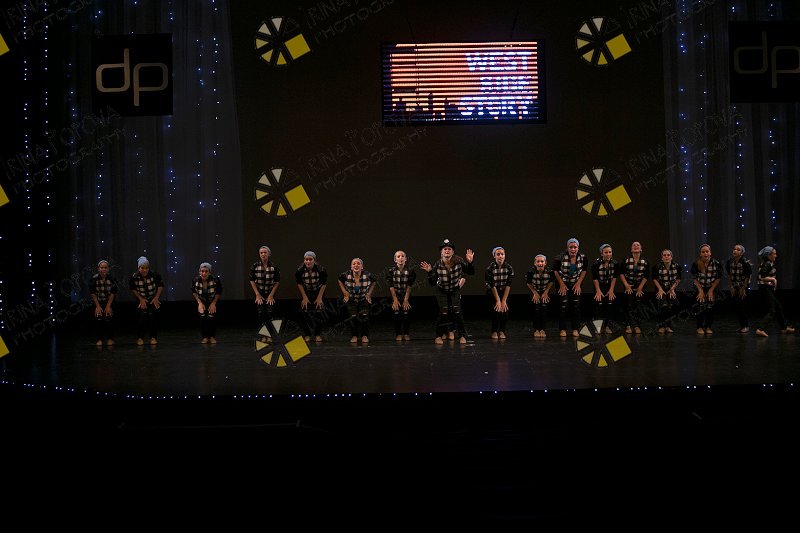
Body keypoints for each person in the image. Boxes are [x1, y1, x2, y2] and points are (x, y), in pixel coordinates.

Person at [420, 238, 474, 344]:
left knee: (457, 311)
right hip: (442, 290)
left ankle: (462, 335)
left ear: (453, 251)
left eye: (449, 249)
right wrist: (430, 272)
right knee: (443, 312)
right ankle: (439, 336)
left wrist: (470, 262)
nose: (447, 251)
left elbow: (470, 272)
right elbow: (432, 283)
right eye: (445, 249)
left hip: (454, 289)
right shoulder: (438, 264)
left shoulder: (459, 261)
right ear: (441, 252)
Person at [754, 246, 794, 337]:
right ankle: (760, 329)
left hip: (767, 289)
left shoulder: (768, 263)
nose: (776, 256)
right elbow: (761, 277)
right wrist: (773, 279)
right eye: (774, 254)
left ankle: (784, 327)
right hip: (765, 289)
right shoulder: (768, 264)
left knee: (778, 308)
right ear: (768, 255)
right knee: (772, 311)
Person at [552, 238, 587, 338]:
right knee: (564, 305)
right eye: (571, 247)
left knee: (576, 305)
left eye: (575, 247)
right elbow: (555, 271)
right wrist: (561, 284)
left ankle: (575, 328)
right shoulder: (560, 257)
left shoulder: (583, 257)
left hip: (575, 283)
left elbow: (584, 270)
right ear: (567, 248)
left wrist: (578, 283)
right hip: (562, 282)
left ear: (578, 248)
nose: (573, 249)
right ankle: (562, 329)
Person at [338, 258, 377, 344]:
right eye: (354, 264)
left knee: (364, 316)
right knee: (353, 316)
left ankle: (364, 335)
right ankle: (354, 335)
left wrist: (369, 294)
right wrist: (345, 293)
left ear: (362, 267)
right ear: (351, 267)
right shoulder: (345, 275)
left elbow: (374, 281)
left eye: (358, 264)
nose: (356, 265)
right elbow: (339, 280)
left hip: (363, 298)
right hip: (352, 298)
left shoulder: (368, 275)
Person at [129, 256, 164, 345]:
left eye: (146, 268)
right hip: (141, 299)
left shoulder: (154, 275)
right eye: (142, 268)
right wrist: (140, 299)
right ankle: (140, 337)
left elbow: (160, 285)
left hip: (152, 298)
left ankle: (153, 337)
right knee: (142, 317)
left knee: (153, 317)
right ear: (139, 268)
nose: (144, 270)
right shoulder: (134, 277)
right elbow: (133, 288)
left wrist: (156, 298)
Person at [249, 246, 280, 341]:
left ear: (269, 254)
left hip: (270, 292)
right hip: (260, 292)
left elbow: (277, 282)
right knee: (261, 313)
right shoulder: (255, 266)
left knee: (270, 313)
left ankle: (269, 335)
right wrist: (257, 294)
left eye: (265, 252)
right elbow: (252, 280)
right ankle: (263, 335)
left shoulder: (273, 266)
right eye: (261, 253)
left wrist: (271, 295)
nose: (263, 254)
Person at [295, 251, 328, 342]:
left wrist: (319, 298)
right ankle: (307, 334)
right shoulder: (299, 270)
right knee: (304, 312)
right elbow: (299, 284)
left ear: (314, 260)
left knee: (319, 311)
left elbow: (324, 284)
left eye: (310, 259)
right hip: (306, 291)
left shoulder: (321, 270)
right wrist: (304, 297)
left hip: (318, 291)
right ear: (304, 260)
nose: (308, 261)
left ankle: (318, 334)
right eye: (306, 259)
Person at [690, 244, 722, 334]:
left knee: (709, 308)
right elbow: (694, 278)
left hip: (710, 288)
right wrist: (700, 291)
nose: (705, 253)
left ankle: (708, 326)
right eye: (703, 252)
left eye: (707, 251)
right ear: (700, 254)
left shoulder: (716, 263)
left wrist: (711, 290)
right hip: (699, 287)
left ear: (710, 253)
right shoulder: (696, 263)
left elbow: (718, 278)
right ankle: (699, 327)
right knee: (700, 307)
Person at [485, 246, 514, 339]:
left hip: (503, 291)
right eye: (498, 254)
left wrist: (503, 300)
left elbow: (508, 285)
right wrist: (498, 300)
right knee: (496, 311)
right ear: (494, 256)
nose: (500, 256)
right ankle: (494, 331)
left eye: (502, 254)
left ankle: (502, 331)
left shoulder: (509, 268)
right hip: (493, 292)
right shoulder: (490, 269)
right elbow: (492, 285)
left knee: (504, 310)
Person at [386, 250, 417, 341]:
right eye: (398, 256)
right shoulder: (391, 270)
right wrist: (395, 300)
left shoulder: (410, 270)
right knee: (396, 315)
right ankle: (398, 333)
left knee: (406, 314)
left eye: (402, 256)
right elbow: (391, 286)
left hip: (407, 296)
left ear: (405, 259)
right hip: (395, 296)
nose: (401, 258)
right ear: (395, 260)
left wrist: (406, 299)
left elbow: (409, 286)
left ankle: (406, 333)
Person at [620, 241, 649, 334]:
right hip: (628, 285)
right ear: (631, 249)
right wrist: (626, 285)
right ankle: (628, 325)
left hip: (640, 286)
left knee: (638, 306)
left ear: (641, 249)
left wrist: (640, 287)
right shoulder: (626, 260)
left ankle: (637, 326)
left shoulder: (645, 261)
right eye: (634, 245)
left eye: (638, 245)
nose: (636, 246)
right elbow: (621, 273)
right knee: (628, 305)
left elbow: (646, 275)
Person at [651, 249, 682, 334]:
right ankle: (661, 326)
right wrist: (660, 289)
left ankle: (668, 326)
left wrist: (672, 288)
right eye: (664, 255)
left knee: (670, 307)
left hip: (671, 288)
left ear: (671, 257)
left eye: (668, 255)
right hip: (660, 288)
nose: (666, 257)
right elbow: (654, 279)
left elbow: (678, 278)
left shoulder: (677, 266)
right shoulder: (657, 266)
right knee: (662, 307)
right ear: (662, 258)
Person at [89, 259, 118, 346]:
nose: (104, 269)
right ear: (98, 269)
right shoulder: (94, 279)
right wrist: (98, 306)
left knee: (108, 317)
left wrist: (108, 306)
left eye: (105, 267)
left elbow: (113, 293)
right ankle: (99, 338)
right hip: (98, 301)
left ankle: (110, 338)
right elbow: (93, 293)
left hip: (109, 301)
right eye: (102, 268)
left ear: (108, 269)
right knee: (99, 318)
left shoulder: (112, 279)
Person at [192, 262, 222, 344]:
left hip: (212, 300)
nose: (204, 273)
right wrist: (199, 303)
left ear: (209, 272)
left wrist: (213, 303)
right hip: (201, 300)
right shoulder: (196, 280)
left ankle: (212, 337)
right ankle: (205, 337)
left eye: (206, 271)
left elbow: (218, 292)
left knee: (211, 318)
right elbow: (194, 292)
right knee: (202, 318)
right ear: (199, 271)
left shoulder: (215, 279)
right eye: (202, 271)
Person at [725, 244, 752, 333]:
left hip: (743, 286)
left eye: (738, 250)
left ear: (742, 253)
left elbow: (747, 276)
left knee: (741, 306)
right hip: (734, 286)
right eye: (734, 249)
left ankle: (746, 325)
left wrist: (743, 288)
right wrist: (731, 286)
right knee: (735, 306)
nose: (735, 251)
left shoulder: (745, 262)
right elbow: (729, 275)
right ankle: (742, 325)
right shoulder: (730, 261)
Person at [591, 244, 618, 333]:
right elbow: (595, 278)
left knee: (609, 305)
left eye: (610, 252)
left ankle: (607, 326)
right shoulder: (596, 263)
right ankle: (598, 327)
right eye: (606, 252)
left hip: (609, 286)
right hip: (599, 285)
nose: (608, 254)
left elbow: (614, 277)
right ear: (602, 253)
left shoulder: (615, 263)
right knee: (599, 305)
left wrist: (611, 290)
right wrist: (598, 291)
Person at [526, 254, 553, 338]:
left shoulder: (549, 271)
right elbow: (528, 283)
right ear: (535, 263)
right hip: (535, 290)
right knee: (536, 308)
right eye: (538, 261)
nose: (540, 263)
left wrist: (546, 292)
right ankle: (536, 329)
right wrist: (535, 293)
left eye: (542, 261)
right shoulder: (530, 271)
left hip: (545, 290)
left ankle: (543, 329)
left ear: (545, 263)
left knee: (544, 307)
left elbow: (551, 282)